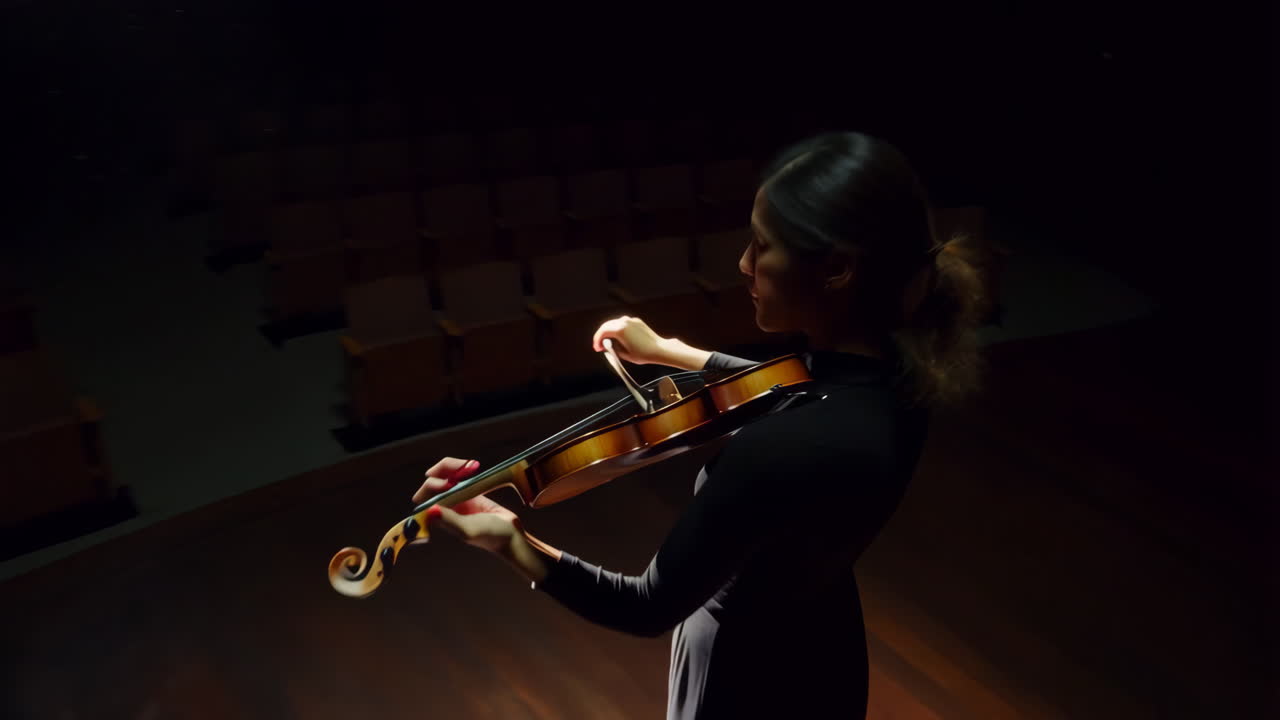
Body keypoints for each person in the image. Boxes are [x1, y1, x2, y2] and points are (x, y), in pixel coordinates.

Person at [414, 131, 995, 718]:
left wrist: (509, 538)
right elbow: (798, 383)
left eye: (762, 246)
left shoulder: (777, 450)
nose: (744, 264)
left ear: (837, 269)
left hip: (743, 680)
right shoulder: (903, 377)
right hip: (824, 655)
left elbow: (644, 605)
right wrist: (672, 350)